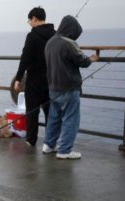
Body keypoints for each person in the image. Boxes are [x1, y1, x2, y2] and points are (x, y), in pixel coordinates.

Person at [42, 15, 99, 160]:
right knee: (71, 119)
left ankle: (48, 145)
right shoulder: (68, 44)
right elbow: (82, 61)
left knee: (54, 117)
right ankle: (65, 150)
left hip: (53, 87)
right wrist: (91, 58)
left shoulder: (50, 42)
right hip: (68, 87)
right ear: (72, 30)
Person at [13, 7, 55, 146]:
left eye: (29, 21)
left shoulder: (32, 36)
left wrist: (18, 78)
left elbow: (25, 58)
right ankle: (50, 142)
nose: (29, 24)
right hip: (51, 80)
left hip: (34, 80)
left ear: (34, 19)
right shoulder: (55, 35)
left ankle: (31, 140)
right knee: (50, 113)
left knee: (32, 112)